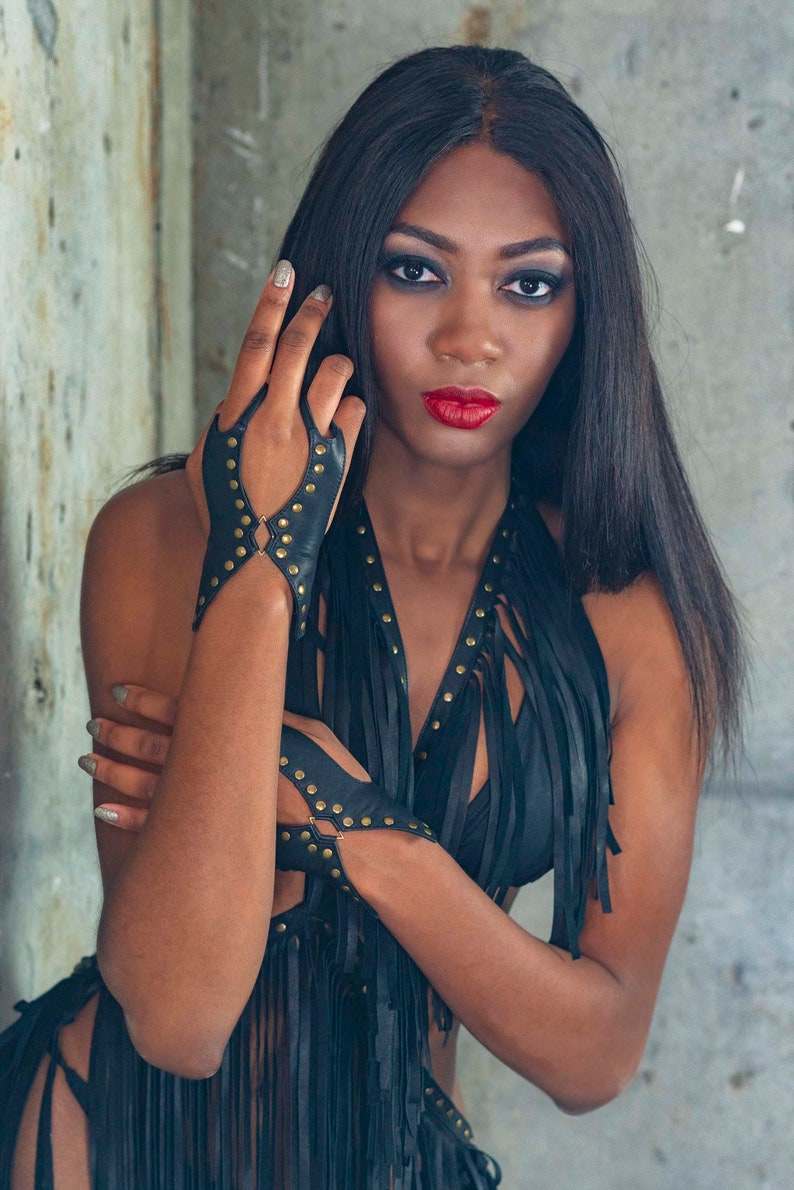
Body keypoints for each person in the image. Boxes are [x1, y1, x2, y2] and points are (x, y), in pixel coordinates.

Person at [0, 44, 745, 1190]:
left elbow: (594, 1048)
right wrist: (258, 558)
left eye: (528, 283)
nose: (469, 336)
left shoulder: (626, 620)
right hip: (98, 1148)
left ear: (585, 311)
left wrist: (345, 816)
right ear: (339, 275)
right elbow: (179, 1014)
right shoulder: (163, 534)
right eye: (414, 270)